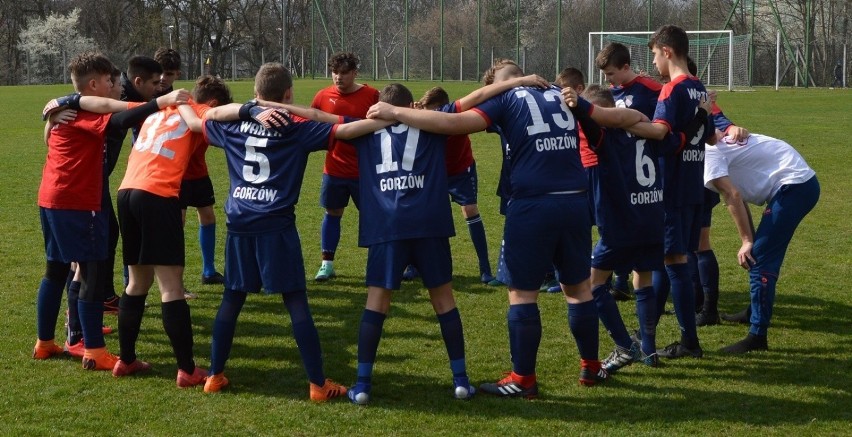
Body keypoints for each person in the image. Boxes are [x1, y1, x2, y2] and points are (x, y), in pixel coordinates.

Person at [368, 66, 607, 398]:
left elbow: (454, 124)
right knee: (578, 288)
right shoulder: (558, 91)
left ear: (498, 84)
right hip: (576, 201)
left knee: (522, 294)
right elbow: (597, 135)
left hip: (533, 203)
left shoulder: (507, 96)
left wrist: (395, 112)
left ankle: (523, 379)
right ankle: (590, 366)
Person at [176, 63, 384, 400]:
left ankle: (214, 375)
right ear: (288, 95)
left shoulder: (235, 124)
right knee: (296, 301)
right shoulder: (296, 127)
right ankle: (318, 384)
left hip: (239, 224)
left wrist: (177, 99)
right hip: (276, 225)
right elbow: (349, 131)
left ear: (255, 94)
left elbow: (195, 123)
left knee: (232, 299)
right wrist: (395, 115)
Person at [34, 52, 189, 371]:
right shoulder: (83, 110)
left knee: (56, 269)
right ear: (94, 85)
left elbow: (52, 130)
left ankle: (45, 343)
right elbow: (116, 116)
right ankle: (94, 350)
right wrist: (161, 103)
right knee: (92, 271)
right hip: (78, 201)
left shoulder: (66, 109)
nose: (114, 85)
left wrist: (53, 110)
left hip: (51, 197)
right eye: (109, 81)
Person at [563, 85, 711, 372]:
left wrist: (577, 105)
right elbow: (681, 139)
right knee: (642, 282)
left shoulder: (604, 135)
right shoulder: (646, 129)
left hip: (620, 222)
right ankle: (649, 350)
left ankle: (624, 345)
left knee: (592, 285)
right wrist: (702, 115)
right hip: (653, 216)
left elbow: (587, 121)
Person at [110, 75, 231, 387]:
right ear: (213, 103)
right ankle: (188, 369)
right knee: (171, 287)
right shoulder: (198, 111)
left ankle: (125, 360)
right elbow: (212, 123)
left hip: (127, 192)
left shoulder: (158, 111)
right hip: (158, 195)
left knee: (137, 282)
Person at [622, 25, 715, 360]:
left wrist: (629, 123)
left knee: (673, 262)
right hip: (694, 184)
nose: (655, 64)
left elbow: (661, 134)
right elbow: (711, 138)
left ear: (667, 51)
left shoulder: (671, 91)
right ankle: (646, 330)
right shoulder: (698, 88)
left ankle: (690, 341)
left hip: (671, 187)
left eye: (655, 55)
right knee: (667, 261)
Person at [704, 131, 819, 353]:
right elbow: (737, 195)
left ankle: (757, 336)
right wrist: (750, 239)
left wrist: (747, 240)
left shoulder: (708, 153)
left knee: (761, 262)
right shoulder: (711, 146)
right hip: (798, 182)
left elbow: (733, 195)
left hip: (795, 186)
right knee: (758, 253)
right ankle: (754, 312)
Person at [402, 87, 496, 284]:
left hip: (461, 170)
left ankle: (485, 267)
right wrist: (415, 113)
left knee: (470, 209)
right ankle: (413, 265)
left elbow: (478, 97)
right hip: (434, 172)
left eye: (436, 112)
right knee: (420, 213)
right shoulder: (421, 118)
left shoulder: (455, 113)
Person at [595, 43, 666, 301]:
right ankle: (621, 280)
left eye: (611, 74)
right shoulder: (611, 93)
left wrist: (628, 121)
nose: (608, 80)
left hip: (647, 175)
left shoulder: (651, 90)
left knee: (643, 239)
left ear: (626, 67)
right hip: (619, 172)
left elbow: (664, 126)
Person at [311, 52, 380, 281]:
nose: (338, 78)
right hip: (334, 170)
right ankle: (326, 265)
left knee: (374, 216)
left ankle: (381, 263)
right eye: (334, 73)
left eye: (343, 73)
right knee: (332, 213)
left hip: (365, 172)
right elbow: (312, 126)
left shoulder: (371, 95)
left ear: (354, 73)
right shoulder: (322, 96)